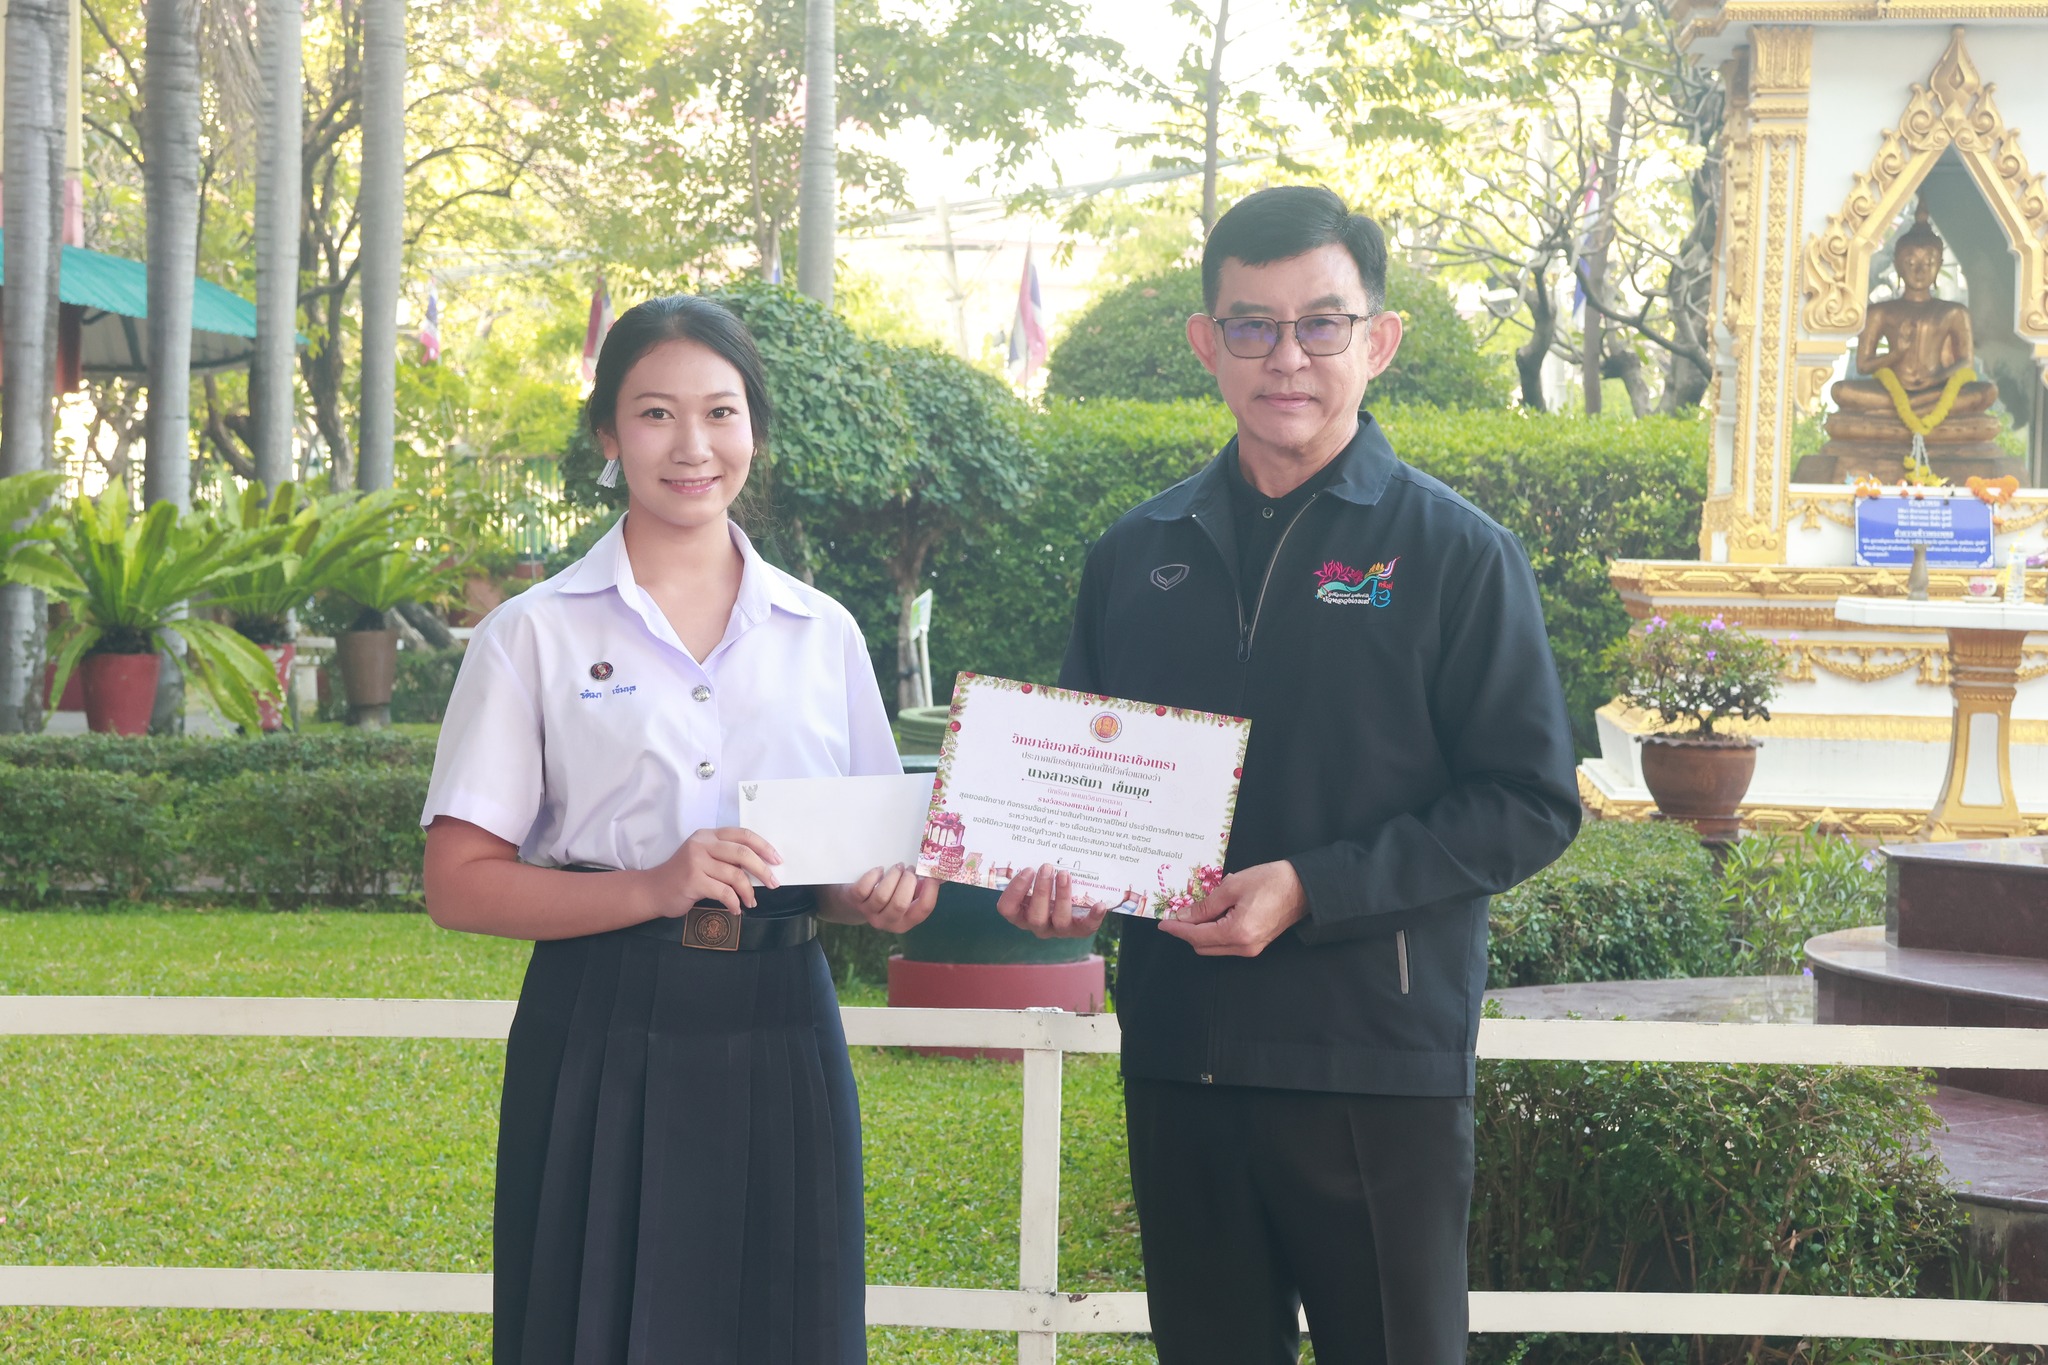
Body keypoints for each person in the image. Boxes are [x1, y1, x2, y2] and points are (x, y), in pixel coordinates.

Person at [996, 186, 1581, 1364]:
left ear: (1378, 339)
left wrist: (1312, 886)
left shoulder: (1454, 554)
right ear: (1205, 342)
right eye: (1250, 325)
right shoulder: (1133, 556)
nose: (1286, 358)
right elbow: (1079, 798)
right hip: (1181, 1053)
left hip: (1373, 1054)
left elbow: (1529, 802)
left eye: (1320, 323)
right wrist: (1057, 885)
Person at [420, 294, 938, 1365]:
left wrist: (881, 896)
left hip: (783, 1018)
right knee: (589, 1329)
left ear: (754, 428)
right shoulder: (533, 634)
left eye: (720, 412)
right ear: (608, 435)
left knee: (786, 1329)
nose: (692, 446)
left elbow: (861, 864)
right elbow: (458, 882)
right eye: (655, 414)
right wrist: (653, 885)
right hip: (602, 1019)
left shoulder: (822, 632)